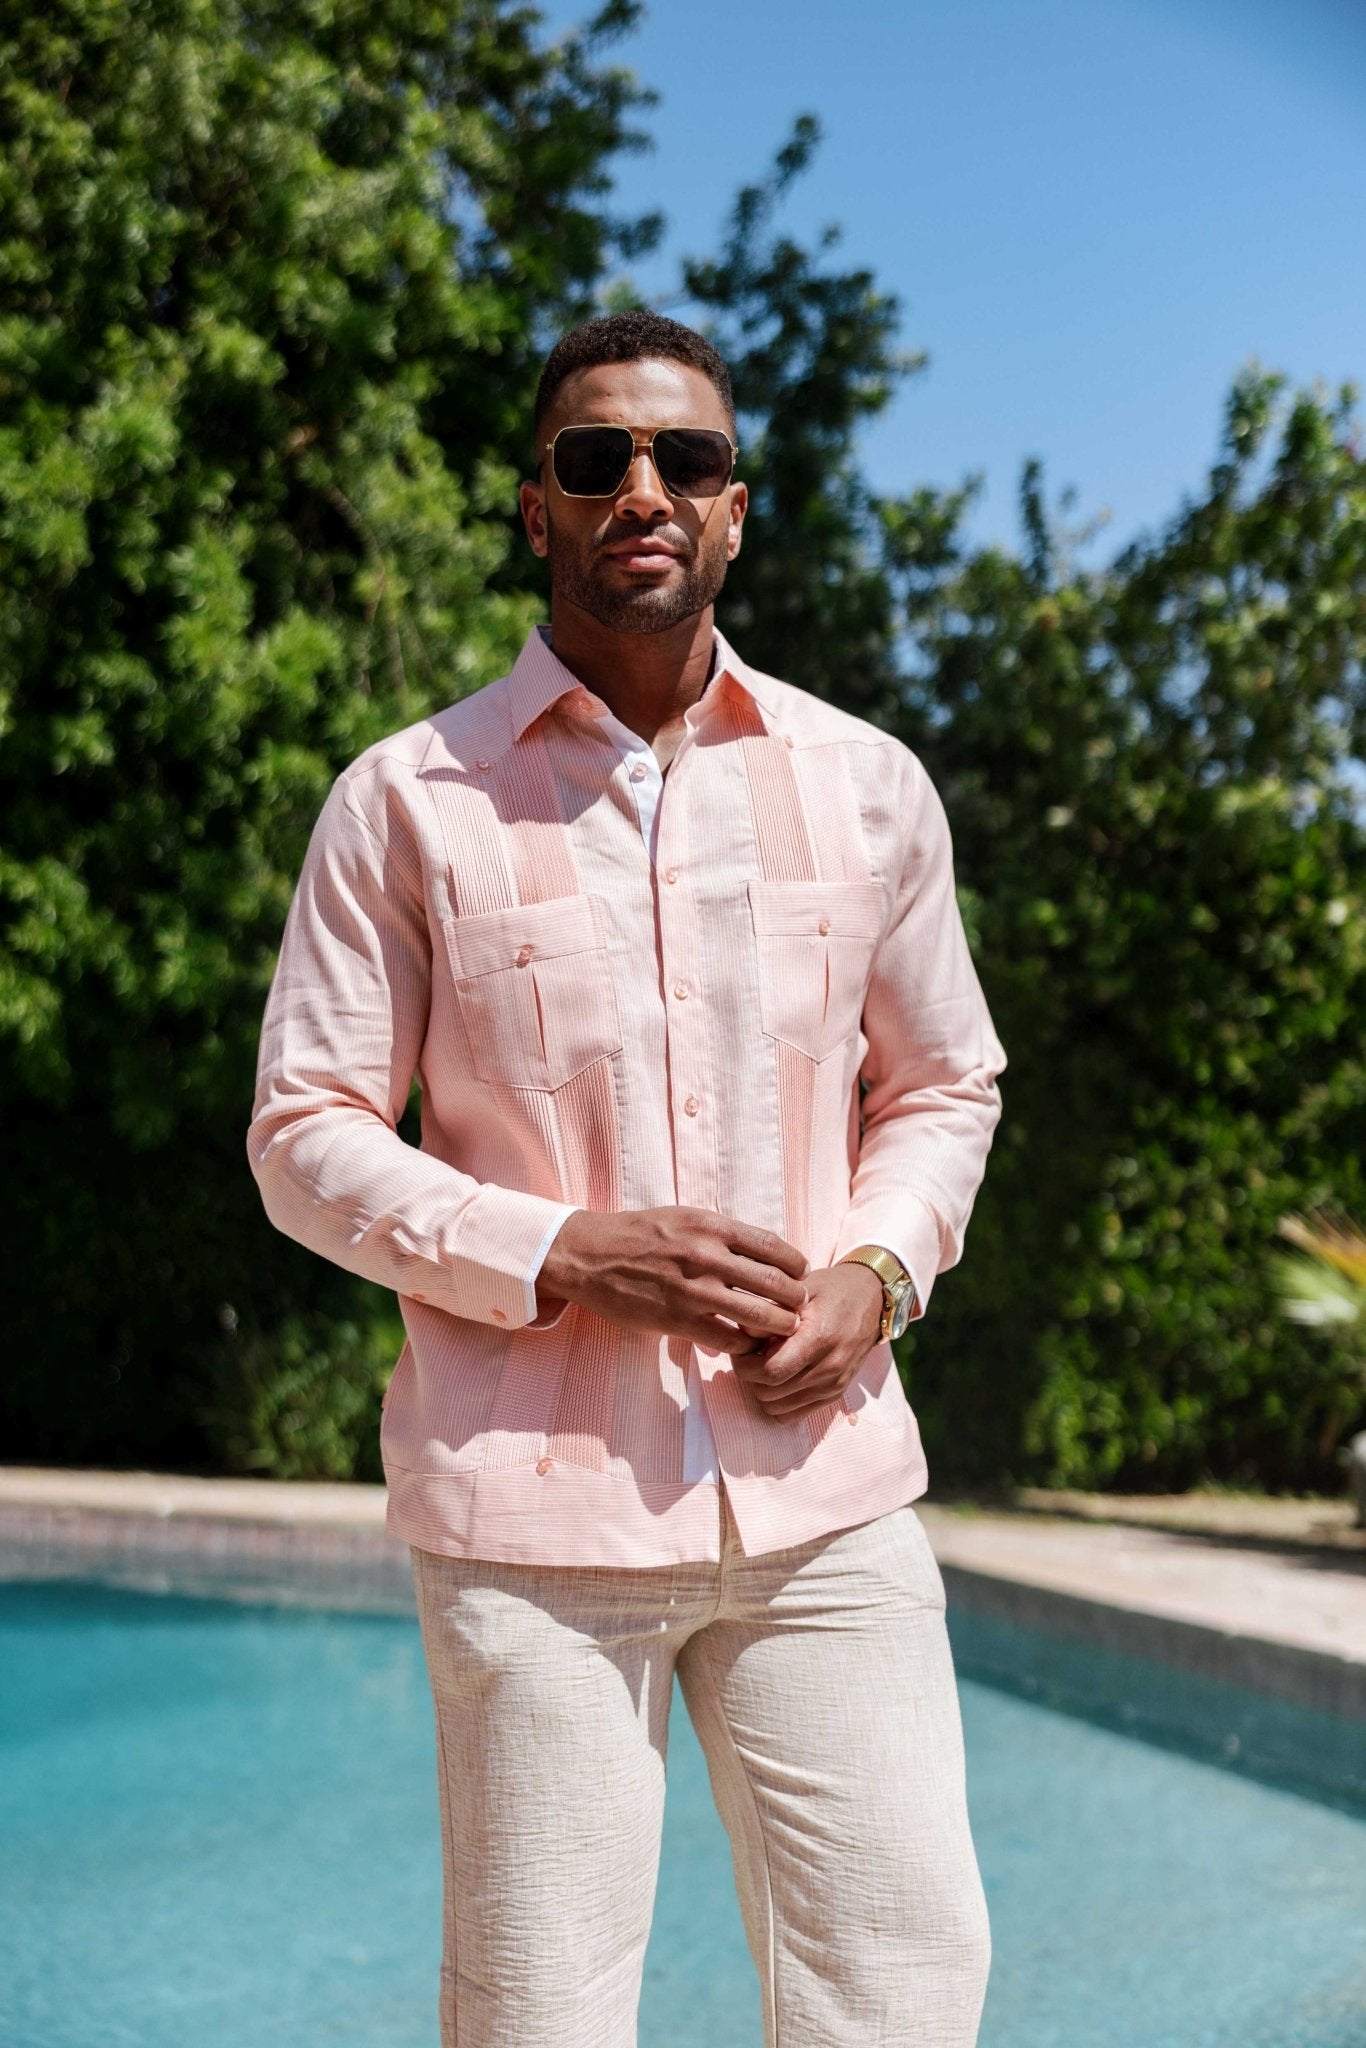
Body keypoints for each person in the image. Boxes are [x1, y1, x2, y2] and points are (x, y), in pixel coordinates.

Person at [247, 308, 1008, 2048]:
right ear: (538, 510)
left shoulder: (869, 787)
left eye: (686, 459)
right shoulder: (406, 803)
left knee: (902, 1988)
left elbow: (945, 1083)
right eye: (596, 459)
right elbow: (305, 1133)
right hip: (531, 1520)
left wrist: (876, 1273)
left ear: (738, 508)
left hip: (827, 1503)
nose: (641, 488)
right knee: (536, 2019)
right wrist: (567, 1249)